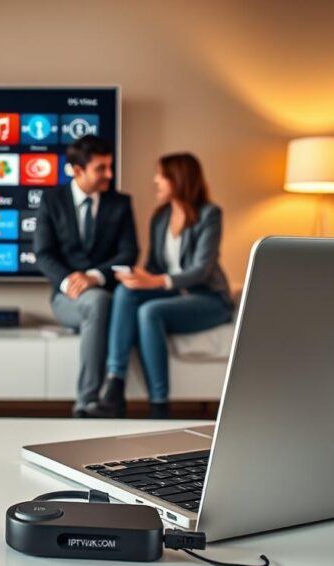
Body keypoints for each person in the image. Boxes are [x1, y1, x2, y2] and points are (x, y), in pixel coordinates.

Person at [96, 153, 233, 419]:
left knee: (150, 312)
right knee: (126, 291)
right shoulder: (161, 217)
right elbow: (155, 266)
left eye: (161, 175)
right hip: (174, 293)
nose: (155, 181)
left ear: (178, 178)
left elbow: (201, 270)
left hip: (208, 298)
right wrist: (138, 277)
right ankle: (115, 381)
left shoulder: (209, 214)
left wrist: (155, 281)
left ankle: (159, 405)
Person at [34, 135, 138, 417]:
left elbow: (129, 253)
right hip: (66, 299)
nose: (110, 175)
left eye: (110, 167)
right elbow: (43, 254)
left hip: (109, 293)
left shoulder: (120, 203)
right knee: (97, 303)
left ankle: (92, 401)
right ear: (78, 170)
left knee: (102, 301)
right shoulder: (52, 200)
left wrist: (94, 276)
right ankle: (87, 401)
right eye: (101, 169)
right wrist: (71, 282)